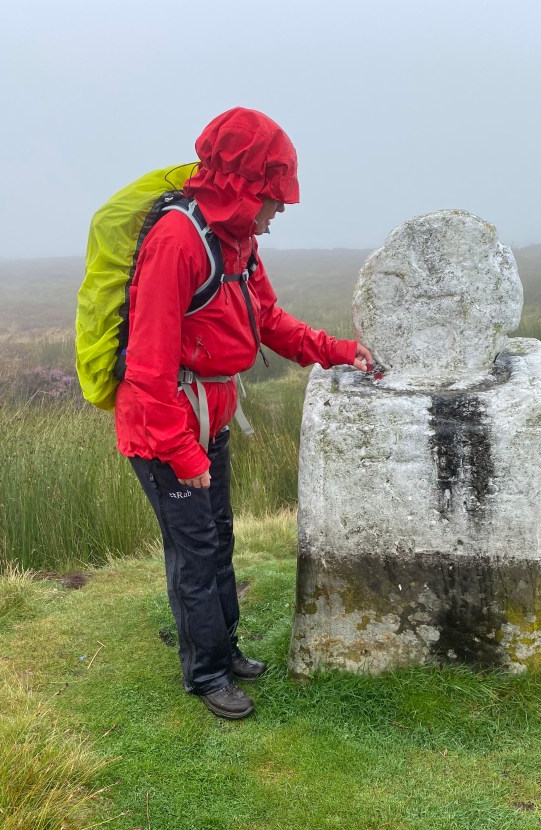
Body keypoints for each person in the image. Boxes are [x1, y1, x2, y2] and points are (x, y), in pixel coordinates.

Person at [114, 107, 372, 720]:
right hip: (165, 429)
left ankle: (225, 650)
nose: (279, 210)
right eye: (274, 197)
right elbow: (148, 365)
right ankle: (205, 673)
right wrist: (183, 453)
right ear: (246, 187)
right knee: (195, 552)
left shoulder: (237, 242)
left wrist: (337, 351)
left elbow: (268, 321)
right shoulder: (177, 241)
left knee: (219, 539)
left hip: (210, 420)